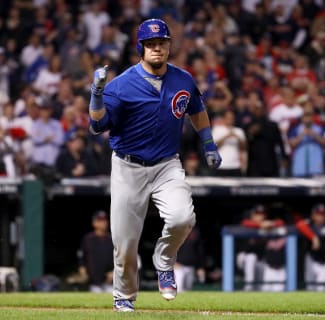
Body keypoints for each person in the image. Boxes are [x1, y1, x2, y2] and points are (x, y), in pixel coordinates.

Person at [88, 18, 221, 312]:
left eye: (161, 42)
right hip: (128, 166)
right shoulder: (121, 85)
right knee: (124, 241)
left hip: (166, 165)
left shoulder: (183, 79)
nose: (157, 48)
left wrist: (209, 143)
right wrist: (97, 94)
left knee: (183, 218)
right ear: (140, 47)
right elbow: (97, 126)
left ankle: (164, 260)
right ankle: (124, 297)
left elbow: (197, 109)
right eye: (150, 44)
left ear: (169, 45)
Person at [77, 210, 114, 293]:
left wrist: (114, 272)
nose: (103, 223)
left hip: (110, 282)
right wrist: (82, 271)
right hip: (93, 282)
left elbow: (121, 258)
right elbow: (81, 257)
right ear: (94, 222)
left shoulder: (112, 239)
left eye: (104, 220)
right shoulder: (88, 239)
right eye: (100, 220)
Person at [174, 227, 206, 292]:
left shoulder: (196, 232)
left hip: (191, 266)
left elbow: (200, 251)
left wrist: (200, 267)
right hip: (178, 266)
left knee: (188, 290)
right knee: (178, 289)